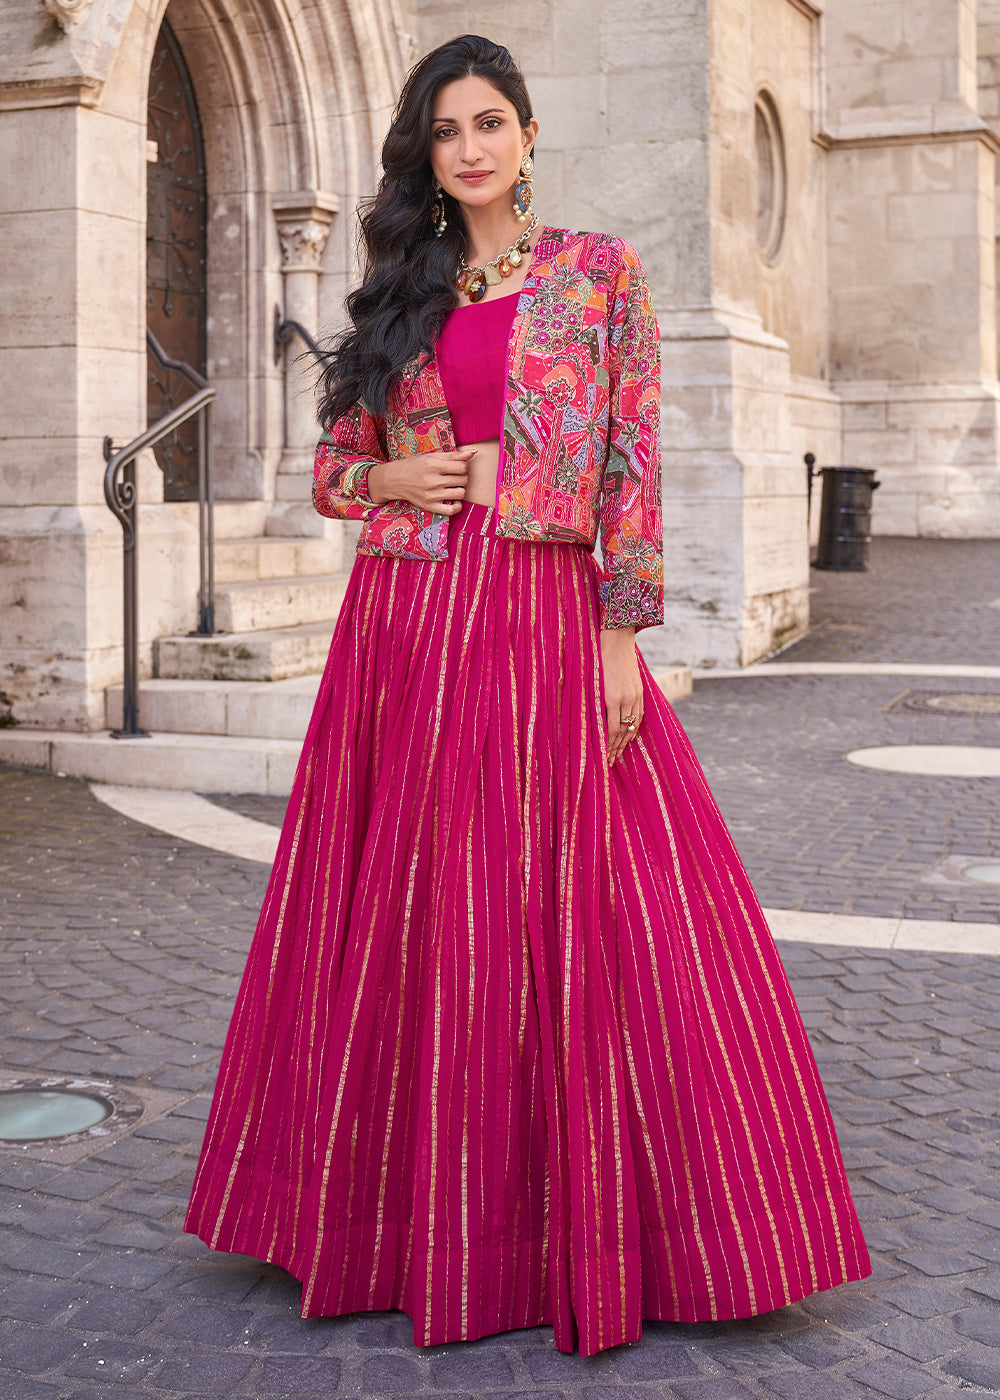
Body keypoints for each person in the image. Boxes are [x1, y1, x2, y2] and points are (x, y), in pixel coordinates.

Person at [184, 33, 871, 1358]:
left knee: (585, 894)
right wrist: (391, 482)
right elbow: (331, 468)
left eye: (491, 122)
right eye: (447, 132)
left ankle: (635, 1225)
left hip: (543, 615)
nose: (473, 148)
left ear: (531, 133)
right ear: (425, 158)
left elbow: (629, 463)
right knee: (409, 904)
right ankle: (390, 1214)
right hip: (407, 624)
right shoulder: (401, 293)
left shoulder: (597, 274)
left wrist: (622, 638)